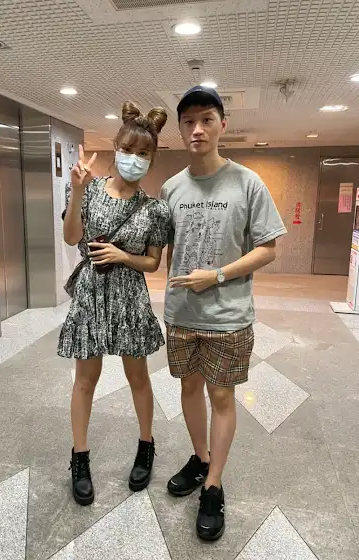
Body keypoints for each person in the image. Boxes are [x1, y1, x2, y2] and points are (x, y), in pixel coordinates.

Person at [161, 86, 287, 541]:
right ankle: (200, 459)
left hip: (228, 315)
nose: (197, 129)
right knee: (188, 387)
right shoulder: (171, 188)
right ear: (180, 129)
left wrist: (215, 275)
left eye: (207, 120)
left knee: (222, 396)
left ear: (222, 126)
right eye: (189, 121)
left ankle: (214, 484)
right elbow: (162, 251)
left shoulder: (247, 183)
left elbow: (268, 248)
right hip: (181, 313)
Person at [58, 101, 170, 506]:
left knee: (138, 377)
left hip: (130, 298)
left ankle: (146, 445)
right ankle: (80, 457)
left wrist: (124, 256)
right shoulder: (89, 190)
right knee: (85, 380)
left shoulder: (155, 209)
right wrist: (76, 189)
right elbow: (72, 237)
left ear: (151, 158)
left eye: (143, 153)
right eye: (128, 149)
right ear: (115, 148)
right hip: (91, 293)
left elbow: (153, 263)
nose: (134, 159)